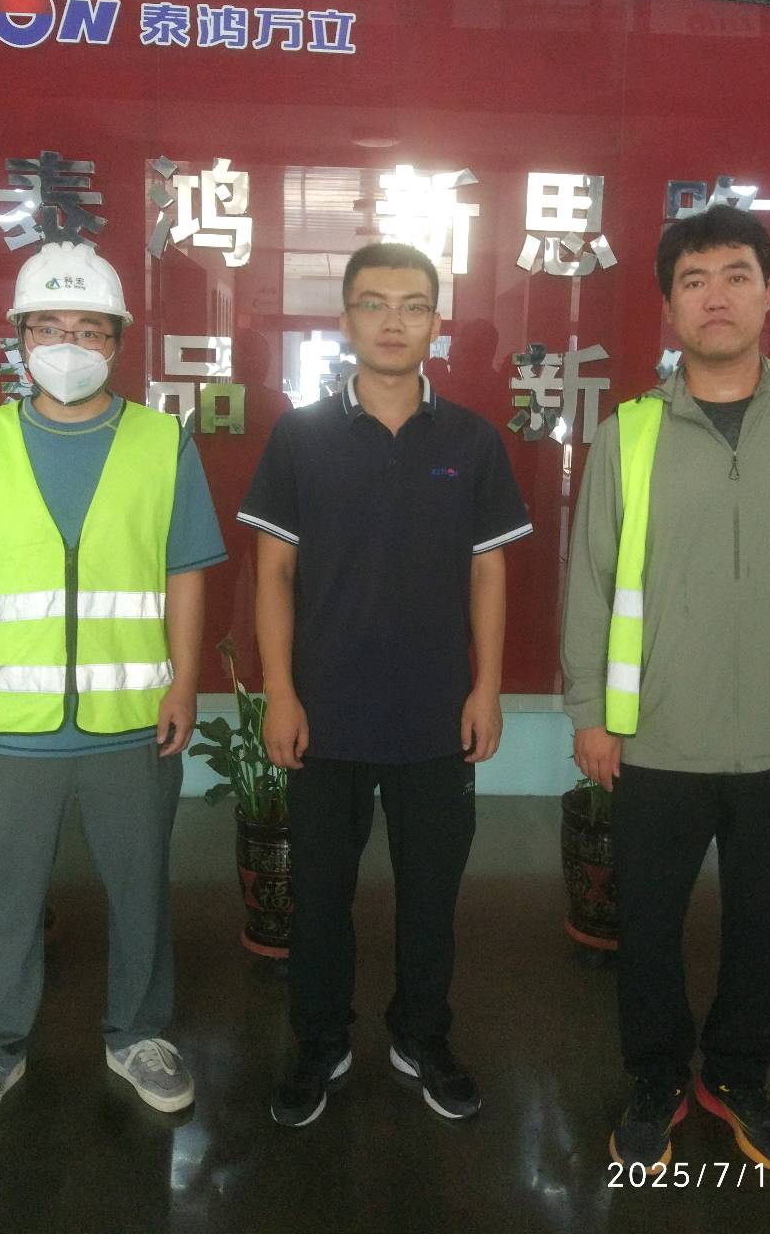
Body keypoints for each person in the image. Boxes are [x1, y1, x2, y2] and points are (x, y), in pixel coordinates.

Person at [562, 206, 770, 1173]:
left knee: (767, 926)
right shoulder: (630, 434)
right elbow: (591, 579)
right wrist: (590, 715)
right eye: (694, 281)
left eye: (737, 275)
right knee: (648, 927)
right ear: (668, 307)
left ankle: (738, 1077)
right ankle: (656, 1079)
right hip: (659, 733)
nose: (717, 297)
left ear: (769, 293)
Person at [0, 241, 226, 1138]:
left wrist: (184, 684)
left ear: (117, 341)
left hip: (132, 721)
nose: (69, 345)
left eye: (89, 329)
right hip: (10, 727)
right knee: (4, 898)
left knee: (141, 891)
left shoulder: (161, 441)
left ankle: (139, 1036)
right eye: (49, 326)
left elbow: (186, 573)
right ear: (20, 338)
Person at [238, 241, 532, 1127]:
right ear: (345, 320)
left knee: (431, 895)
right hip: (323, 711)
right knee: (319, 895)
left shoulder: (472, 440)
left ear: (436, 322)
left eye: (412, 305)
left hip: (435, 711)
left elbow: (487, 573)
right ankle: (319, 1041)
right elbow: (272, 574)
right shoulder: (301, 436)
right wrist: (281, 692)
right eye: (373, 303)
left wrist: (486, 688)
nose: (393, 321)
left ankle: (422, 1036)